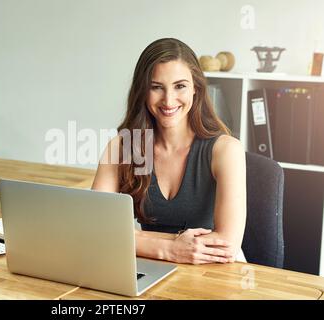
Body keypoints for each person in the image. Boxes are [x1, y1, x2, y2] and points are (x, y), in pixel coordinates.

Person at [92, 38, 246, 265]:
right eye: (156, 87)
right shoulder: (122, 147)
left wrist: (134, 238)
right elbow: (94, 229)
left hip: (214, 270)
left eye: (180, 86)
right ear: (142, 92)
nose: (168, 99)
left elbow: (226, 246)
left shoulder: (226, 150)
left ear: (196, 88)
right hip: (152, 266)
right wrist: (170, 248)